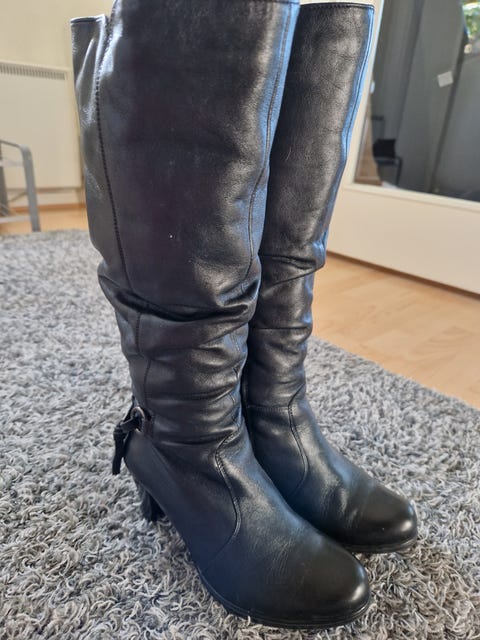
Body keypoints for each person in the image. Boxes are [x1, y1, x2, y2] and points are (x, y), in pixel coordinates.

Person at [71, 0, 416, 630]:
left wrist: (275, 395)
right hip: (188, 427)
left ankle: (268, 412)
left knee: (283, 263)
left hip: (253, 404)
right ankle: (185, 441)